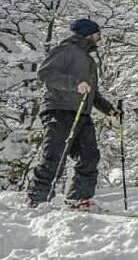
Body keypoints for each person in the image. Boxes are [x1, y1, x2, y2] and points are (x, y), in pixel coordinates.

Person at [27, 18, 119, 208]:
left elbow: (91, 92)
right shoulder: (66, 49)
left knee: (90, 156)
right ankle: (37, 199)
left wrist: (109, 109)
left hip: (81, 114)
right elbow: (45, 72)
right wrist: (73, 84)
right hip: (59, 109)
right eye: (97, 34)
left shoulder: (89, 61)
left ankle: (79, 198)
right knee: (55, 154)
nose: (100, 39)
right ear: (88, 33)